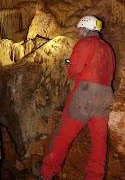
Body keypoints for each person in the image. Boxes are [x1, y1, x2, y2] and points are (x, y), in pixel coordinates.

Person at [40, 15, 115, 180]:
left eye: (80, 29)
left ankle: (47, 173)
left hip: (86, 93)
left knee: (64, 134)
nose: (79, 32)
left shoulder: (84, 43)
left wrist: (69, 64)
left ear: (85, 28)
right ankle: (95, 177)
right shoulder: (109, 49)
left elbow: (74, 70)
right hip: (105, 96)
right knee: (99, 140)